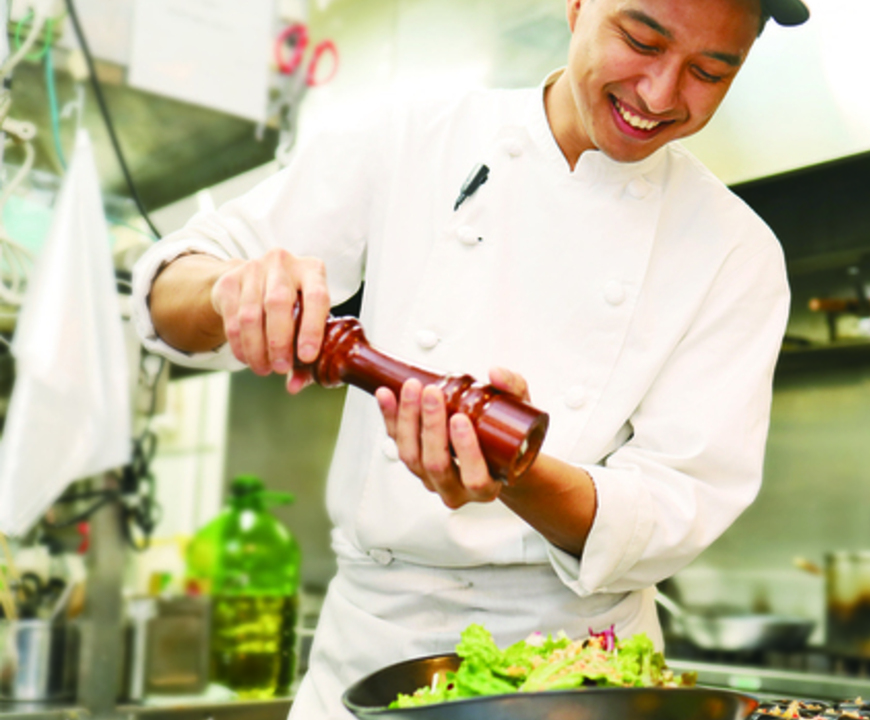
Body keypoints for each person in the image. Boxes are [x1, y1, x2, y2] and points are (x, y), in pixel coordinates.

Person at [131, 0, 807, 716]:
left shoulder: (737, 253)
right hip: (374, 653)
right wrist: (230, 292)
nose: (661, 94)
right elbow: (167, 289)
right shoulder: (412, 138)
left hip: (583, 677)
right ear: (577, 6)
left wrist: (514, 474)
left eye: (710, 71)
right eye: (641, 40)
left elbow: (672, 508)